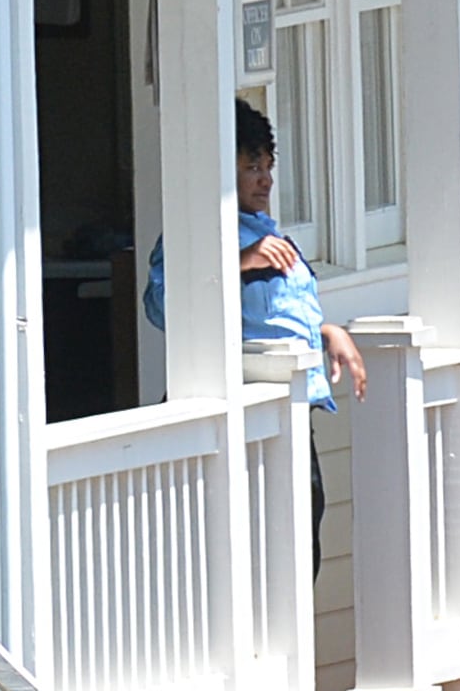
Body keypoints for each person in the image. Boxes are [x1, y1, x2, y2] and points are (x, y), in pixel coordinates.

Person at [144, 101, 366, 563]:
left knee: (304, 533)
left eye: (268, 166)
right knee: (235, 545)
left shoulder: (275, 237)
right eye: (251, 167)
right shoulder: (201, 234)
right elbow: (164, 306)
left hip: (287, 409)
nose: (265, 180)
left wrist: (328, 333)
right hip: (232, 408)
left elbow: (280, 312)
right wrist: (241, 261)